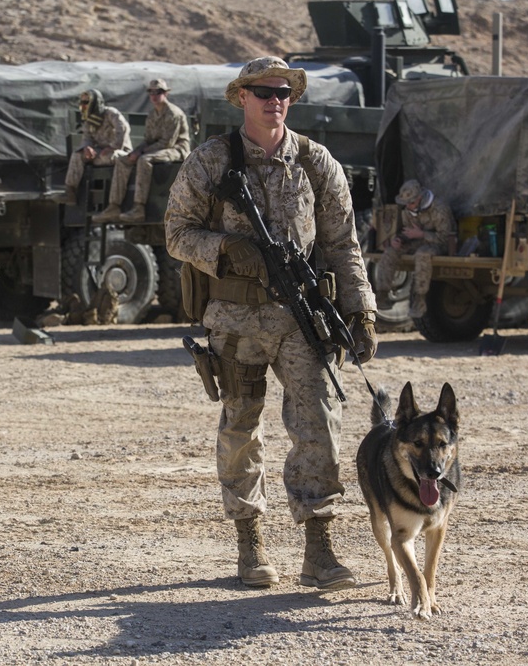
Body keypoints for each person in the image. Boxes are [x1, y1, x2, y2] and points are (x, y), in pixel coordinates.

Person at [164, 57, 378, 590]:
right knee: (241, 426)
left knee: (318, 427)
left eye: (282, 92)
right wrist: (228, 250)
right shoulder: (211, 161)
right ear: (242, 97)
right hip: (235, 320)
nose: (273, 100)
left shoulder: (315, 161)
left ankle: (319, 549)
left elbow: (342, 242)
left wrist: (361, 309)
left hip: (300, 318)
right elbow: (175, 233)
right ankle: (249, 541)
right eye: (261, 91)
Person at [93, 78, 191, 224]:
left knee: (144, 160)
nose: (154, 95)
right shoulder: (152, 114)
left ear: (165, 94)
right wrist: (136, 151)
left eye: (158, 92)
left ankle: (139, 208)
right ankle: (114, 206)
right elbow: (148, 139)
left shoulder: (173, 114)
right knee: (123, 160)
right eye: (151, 92)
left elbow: (167, 142)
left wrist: (141, 153)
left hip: (176, 149)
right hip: (157, 148)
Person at [374, 179, 457, 319]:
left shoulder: (439, 208)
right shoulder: (408, 210)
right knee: (390, 252)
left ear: (420, 198)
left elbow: (445, 237)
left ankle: (419, 299)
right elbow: (408, 231)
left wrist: (422, 234)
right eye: (405, 204)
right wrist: (400, 240)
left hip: (438, 243)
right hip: (418, 240)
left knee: (422, 255)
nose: (408, 207)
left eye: (411, 203)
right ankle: (382, 295)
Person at [53, 89, 132, 205]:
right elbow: (87, 138)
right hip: (101, 153)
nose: (84, 105)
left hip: (118, 152)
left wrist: (112, 147)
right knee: (77, 155)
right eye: (83, 102)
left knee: (112, 157)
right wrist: (87, 148)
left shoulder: (110, 113)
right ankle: (70, 192)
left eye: (87, 102)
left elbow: (123, 129)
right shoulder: (88, 120)